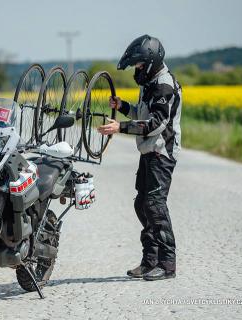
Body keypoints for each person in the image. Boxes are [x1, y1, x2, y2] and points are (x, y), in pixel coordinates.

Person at [97, 35, 182, 281]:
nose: (137, 70)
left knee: (155, 205)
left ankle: (167, 265)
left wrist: (120, 128)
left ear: (152, 62)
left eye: (139, 65)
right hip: (149, 151)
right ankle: (150, 261)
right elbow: (142, 113)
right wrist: (122, 106)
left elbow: (155, 123)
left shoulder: (164, 85)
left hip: (161, 152)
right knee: (141, 204)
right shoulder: (150, 82)